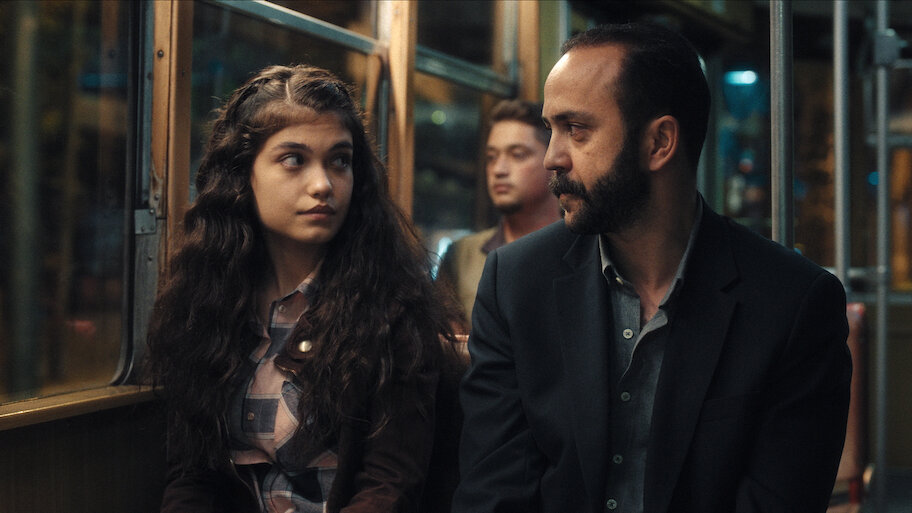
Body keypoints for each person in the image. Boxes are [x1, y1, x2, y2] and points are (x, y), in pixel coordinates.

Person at [453, 22, 852, 513]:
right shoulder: (515, 282)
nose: (552, 158)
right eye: (551, 130)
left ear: (660, 142)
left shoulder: (792, 303)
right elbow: (493, 492)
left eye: (576, 130)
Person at [146, 64, 460, 513]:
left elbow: (390, 489)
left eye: (340, 161)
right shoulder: (205, 306)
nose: (323, 185)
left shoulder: (393, 310)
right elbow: (190, 478)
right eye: (294, 160)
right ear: (243, 174)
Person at [438, 99, 560, 324]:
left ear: (553, 160)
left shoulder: (587, 250)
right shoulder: (462, 256)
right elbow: (446, 340)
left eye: (518, 154)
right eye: (491, 158)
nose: (499, 170)